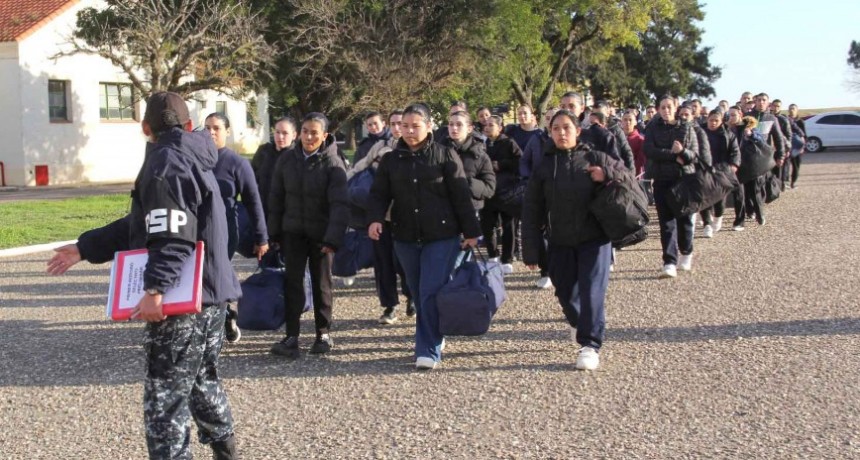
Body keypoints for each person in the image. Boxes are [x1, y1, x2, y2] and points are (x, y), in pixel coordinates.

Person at [47, 92, 241, 459]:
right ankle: (226, 450)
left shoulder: (165, 162)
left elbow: (172, 235)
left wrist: (154, 289)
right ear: (188, 125)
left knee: (164, 406)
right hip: (213, 298)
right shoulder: (195, 156)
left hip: (183, 305)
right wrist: (86, 247)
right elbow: (143, 222)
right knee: (202, 382)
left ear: (145, 128)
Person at [368, 103, 481, 370]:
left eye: (415, 126)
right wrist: (374, 219)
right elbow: (379, 194)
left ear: (429, 126)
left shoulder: (445, 154)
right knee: (419, 292)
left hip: (441, 236)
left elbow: (460, 195)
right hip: (405, 236)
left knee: (430, 290)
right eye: (404, 126)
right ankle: (435, 332)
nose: (408, 131)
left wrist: (471, 231)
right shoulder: (391, 160)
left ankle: (427, 349)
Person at [521, 109, 625, 371]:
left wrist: (607, 176)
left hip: (595, 239)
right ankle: (581, 322)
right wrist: (531, 249)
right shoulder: (545, 166)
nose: (561, 133)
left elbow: (626, 179)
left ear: (578, 131)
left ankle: (590, 345)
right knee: (566, 292)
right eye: (556, 128)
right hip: (559, 240)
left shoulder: (595, 157)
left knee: (592, 292)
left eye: (566, 127)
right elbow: (532, 208)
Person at [268, 113, 349, 358]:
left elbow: (340, 205)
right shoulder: (287, 161)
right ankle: (291, 336)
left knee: (321, 283)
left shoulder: (334, 164)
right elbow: (276, 198)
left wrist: (333, 238)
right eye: (305, 131)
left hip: (321, 236)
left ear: (324, 135)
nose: (309, 137)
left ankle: (323, 333)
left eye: (314, 133)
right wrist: (274, 233)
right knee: (292, 284)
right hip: (293, 232)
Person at [205, 112, 269, 344]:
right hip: (198, 230)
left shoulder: (237, 163)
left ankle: (222, 317)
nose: (211, 132)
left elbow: (253, 201)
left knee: (216, 275)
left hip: (225, 230)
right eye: (207, 128)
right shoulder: (197, 160)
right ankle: (222, 314)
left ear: (227, 131)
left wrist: (262, 237)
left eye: (216, 128)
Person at [348, 110, 414, 324]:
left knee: (405, 262)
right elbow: (359, 167)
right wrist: (340, 182)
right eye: (395, 124)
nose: (397, 128)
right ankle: (389, 306)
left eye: (400, 124)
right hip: (381, 215)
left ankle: (412, 297)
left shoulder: (415, 149)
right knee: (383, 262)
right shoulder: (380, 148)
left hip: (407, 216)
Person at [644, 95, 700, 278]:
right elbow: (649, 150)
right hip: (661, 179)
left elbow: (694, 155)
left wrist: (682, 152)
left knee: (684, 221)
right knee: (666, 223)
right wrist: (672, 155)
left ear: (675, 108)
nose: (666, 111)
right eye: (662, 107)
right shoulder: (652, 127)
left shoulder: (686, 127)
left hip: (683, 179)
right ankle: (669, 261)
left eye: (669, 107)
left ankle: (687, 250)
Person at [339, 111, 394, 287]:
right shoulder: (367, 145)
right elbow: (358, 166)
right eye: (369, 124)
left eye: (375, 123)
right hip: (368, 197)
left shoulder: (390, 144)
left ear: (384, 124)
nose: (372, 127)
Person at [520, 106, 558, 290]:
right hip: (539, 189)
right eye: (548, 117)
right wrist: (529, 178)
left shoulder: (566, 139)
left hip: (561, 190)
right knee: (541, 231)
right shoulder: (536, 138)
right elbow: (525, 160)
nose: (550, 121)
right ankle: (546, 271)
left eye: (554, 117)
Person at [481, 115, 522, 274]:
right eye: (486, 124)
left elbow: (520, 161)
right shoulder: (482, 143)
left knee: (508, 225)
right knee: (488, 225)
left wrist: (500, 164)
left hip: (506, 189)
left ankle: (507, 258)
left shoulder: (509, 143)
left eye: (491, 125)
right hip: (487, 191)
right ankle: (492, 255)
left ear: (500, 127)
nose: (487, 127)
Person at [445, 110, 496, 214]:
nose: (454, 128)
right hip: (445, 210)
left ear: (469, 128)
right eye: (451, 124)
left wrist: (467, 183)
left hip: (471, 210)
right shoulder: (440, 152)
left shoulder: (480, 156)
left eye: (459, 124)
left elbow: (490, 188)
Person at [701, 109, 741, 234]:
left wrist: (734, 165)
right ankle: (707, 223)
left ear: (721, 121)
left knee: (719, 197)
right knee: (704, 197)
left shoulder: (728, 134)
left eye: (716, 121)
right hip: (704, 169)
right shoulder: (700, 133)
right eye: (711, 120)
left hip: (721, 170)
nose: (713, 123)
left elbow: (735, 151)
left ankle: (718, 217)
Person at [749, 92, 787, 222]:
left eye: (763, 100)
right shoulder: (747, 116)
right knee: (752, 185)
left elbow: (778, 138)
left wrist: (781, 155)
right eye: (759, 100)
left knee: (763, 184)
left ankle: (758, 207)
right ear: (755, 102)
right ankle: (755, 211)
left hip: (765, 157)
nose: (761, 102)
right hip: (750, 157)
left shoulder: (772, 118)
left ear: (768, 103)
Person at [251, 117, 297, 220]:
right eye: (277, 132)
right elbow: (251, 179)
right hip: (261, 212)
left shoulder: (297, 156)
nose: (280, 137)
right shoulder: (264, 152)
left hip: (287, 217)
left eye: (285, 133)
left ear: (294, 135)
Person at [678, 104, 713, 237]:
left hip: (697, 169)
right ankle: (686, 231)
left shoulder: (699, 131)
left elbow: (704, 152)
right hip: (682, 171)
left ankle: (707, 223)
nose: (684, 117)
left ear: (693, 116)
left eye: (687, 114)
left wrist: (706, 169)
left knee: (701, 199)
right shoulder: (676, 129)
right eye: (682, 115)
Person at [787, 103, 806, 189]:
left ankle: (793, 182)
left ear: (797, 110)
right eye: (790, 108)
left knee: (796, 166)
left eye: (793, 108)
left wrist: (802, 147)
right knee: (786, 166)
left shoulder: (800, 121)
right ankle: (785, 182)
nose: (791, 110)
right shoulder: (786, 120)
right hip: (788, 146)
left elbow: (804, 135)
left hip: (797, 146)